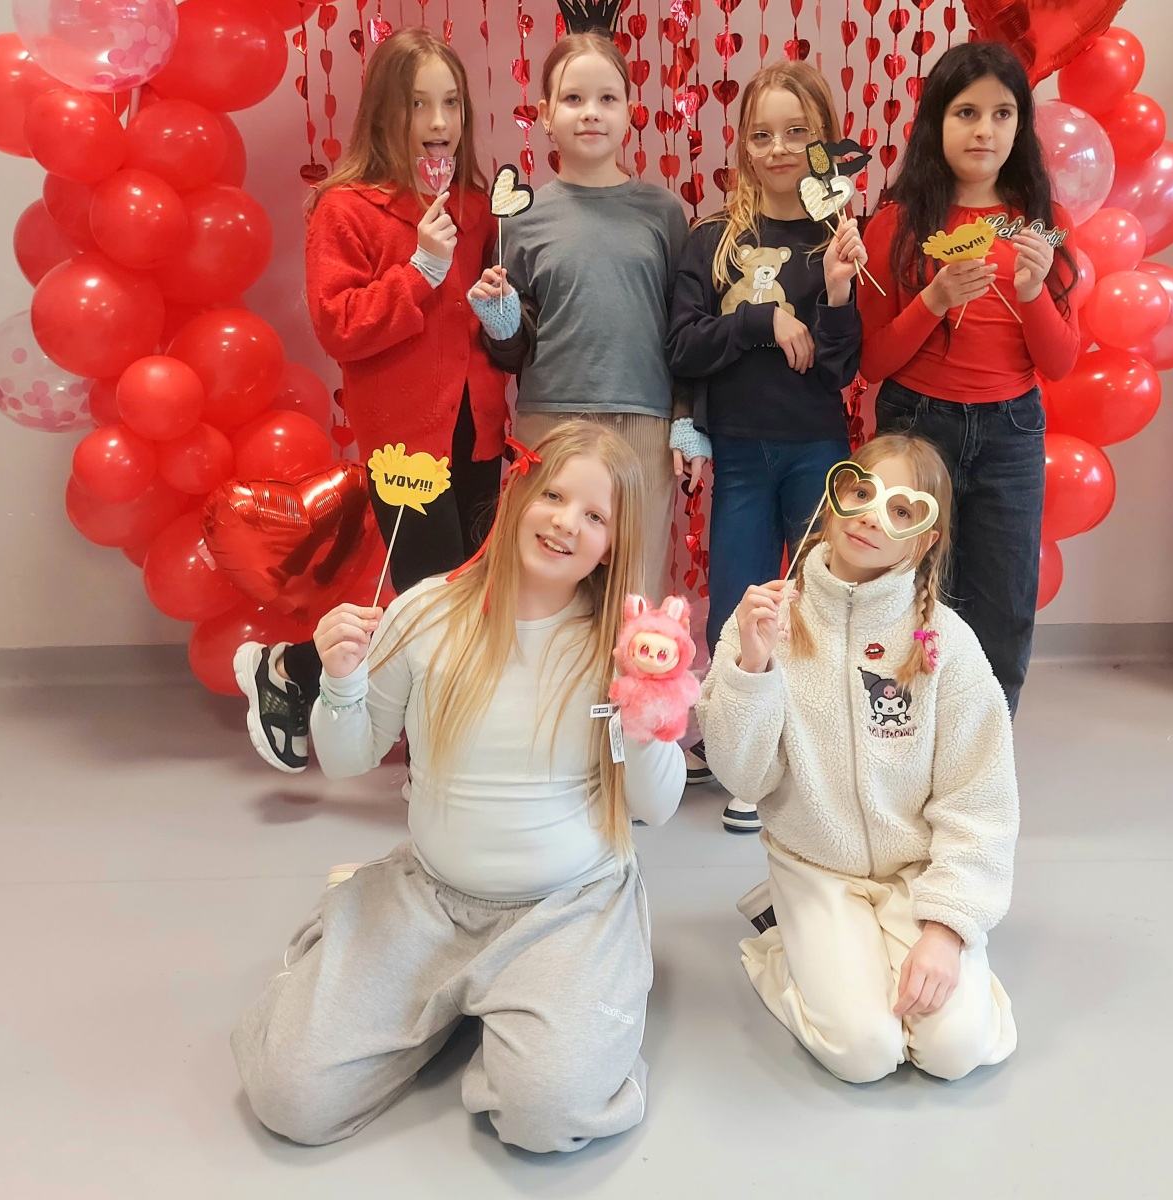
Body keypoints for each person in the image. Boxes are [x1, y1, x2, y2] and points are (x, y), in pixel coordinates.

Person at [231, 421, 686, 1153]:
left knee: (547, 1114)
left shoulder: (622, 644)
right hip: (432, 895)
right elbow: (347, 760)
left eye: (595, 516)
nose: (566, 523)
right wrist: (341, 684)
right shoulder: (425, 612)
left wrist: (645, 709)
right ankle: (425, 965)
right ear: (517, 494)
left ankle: (548, 1002)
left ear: (612, 543)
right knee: (290, 1097)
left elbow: (657, 808)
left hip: (570, 906)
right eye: (554, 496)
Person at [696, 434, 1019, 1083]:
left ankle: (900, 950)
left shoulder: (946, 645)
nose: (874, 515)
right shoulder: (767, 618)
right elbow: (744, 776)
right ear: (835, 496)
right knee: (864, 1052)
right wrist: (752, 667)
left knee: (955, 1051)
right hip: (816, 867)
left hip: (919, 872)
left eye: (902, 510)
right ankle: (783, 940)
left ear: (923, 540)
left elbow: (980, 801)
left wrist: (947, 930)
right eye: (862, 492)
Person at [232, 28, 510, 772]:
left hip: (478, 430)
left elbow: (486, 331)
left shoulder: (479, 207)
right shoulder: (346, 209)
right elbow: (340, 326)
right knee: (431, 605)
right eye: (419, 104)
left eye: (451, 103)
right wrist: (421, 269)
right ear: (386, 111)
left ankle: (293, 666)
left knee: (468, 598)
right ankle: (438, 761)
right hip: (406, 442)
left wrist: (504, 313)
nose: (439, 121)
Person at [665, 59, 866, 831]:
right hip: (742, 454)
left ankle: (804, 752)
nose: (777, 148)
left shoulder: (835, 237)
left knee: (818, 601)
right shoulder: (714, 238)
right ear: (742, 143)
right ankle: (734, 748)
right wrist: (761, 319)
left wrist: (838, 293)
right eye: (761, 134)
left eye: (795, 133)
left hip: (816, 448)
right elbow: (683, 345)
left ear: (823, 141)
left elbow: (842, 368)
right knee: (739, 601)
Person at [858, 40, 1080, 716]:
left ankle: (983, 748)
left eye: (1002, 113)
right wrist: (935, 299)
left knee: (1003, 605)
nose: (985, 130)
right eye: (966, 112)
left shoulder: (1044, 228)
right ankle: (900, 739)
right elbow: (872, 362)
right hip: (916, 427)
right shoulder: (897, 225)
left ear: (1021, 126)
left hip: (1011, 432)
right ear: (936, 121)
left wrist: (1033, 292)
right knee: (904, 595)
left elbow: (1061, 362)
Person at [468, 21, 694, 602]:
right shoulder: (521, 218)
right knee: (545, 585)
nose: (590, 113)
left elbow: (684, 328)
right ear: (546, 114)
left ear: (629, 112)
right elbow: (513, 349)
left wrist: (687, 419)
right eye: (573, 98)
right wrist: (500, 322)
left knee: (632, 588)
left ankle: (631, 669)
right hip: (549, 422)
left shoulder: (664, 213)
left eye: (607, 99)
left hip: (643, 424)